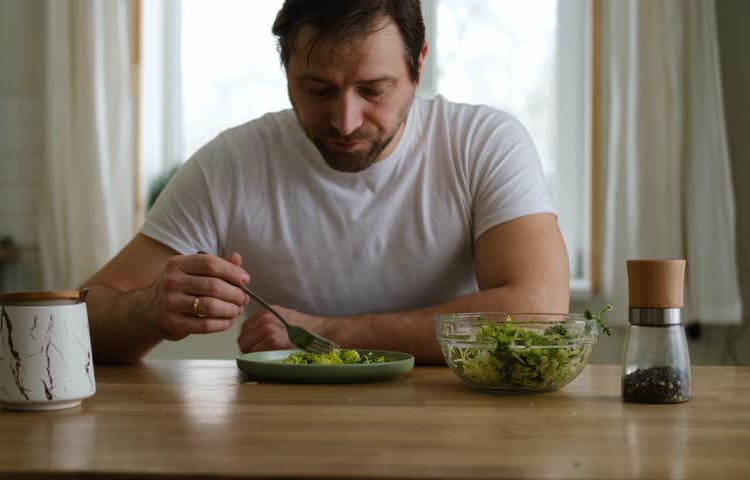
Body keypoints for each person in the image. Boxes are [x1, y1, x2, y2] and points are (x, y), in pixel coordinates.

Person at [82, 0, 569, 365]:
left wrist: (323, 332)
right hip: (278, 440)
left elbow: (538, 311)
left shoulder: (482, 145)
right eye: (318, 90)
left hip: (451, 435)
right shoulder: (230, 164)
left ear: (418, 65)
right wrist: (147, 311)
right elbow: (83, 321)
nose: (345, 121)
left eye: (372, 90)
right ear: (286, 73)